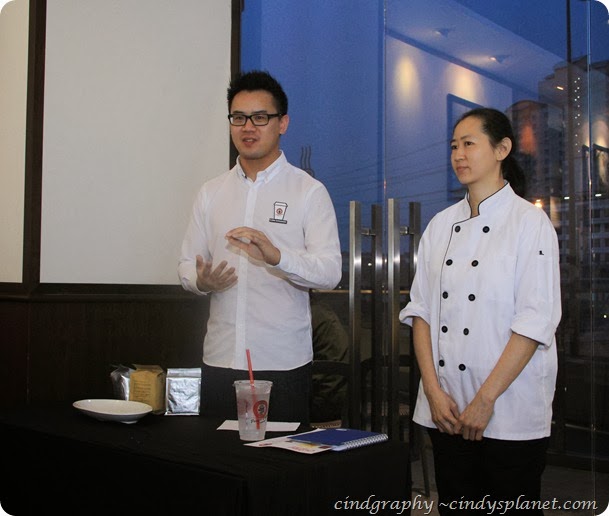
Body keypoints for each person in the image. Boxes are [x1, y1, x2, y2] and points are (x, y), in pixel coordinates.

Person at [399, 107, 561, 514]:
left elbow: (534, 322)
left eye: (469, 144)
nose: (458, 154)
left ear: (502, 149)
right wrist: (433, 392)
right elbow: (421, 312)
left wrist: (485, 400)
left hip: (508, 411)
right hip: (448, 410)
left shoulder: (530, 223)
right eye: (454, 146)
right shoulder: (440, 225)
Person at [178, 70, 342, 424]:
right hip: (220, 358)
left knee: (280, 458)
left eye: (260, 118)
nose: (248, 127)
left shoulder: (308, 192)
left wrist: (277, 257)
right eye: (238, 118)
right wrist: (202, 281)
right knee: (218, 455)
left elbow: (330, 272)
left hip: (283, 363)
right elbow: (187, 264)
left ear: (282, 123)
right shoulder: (211, 192)